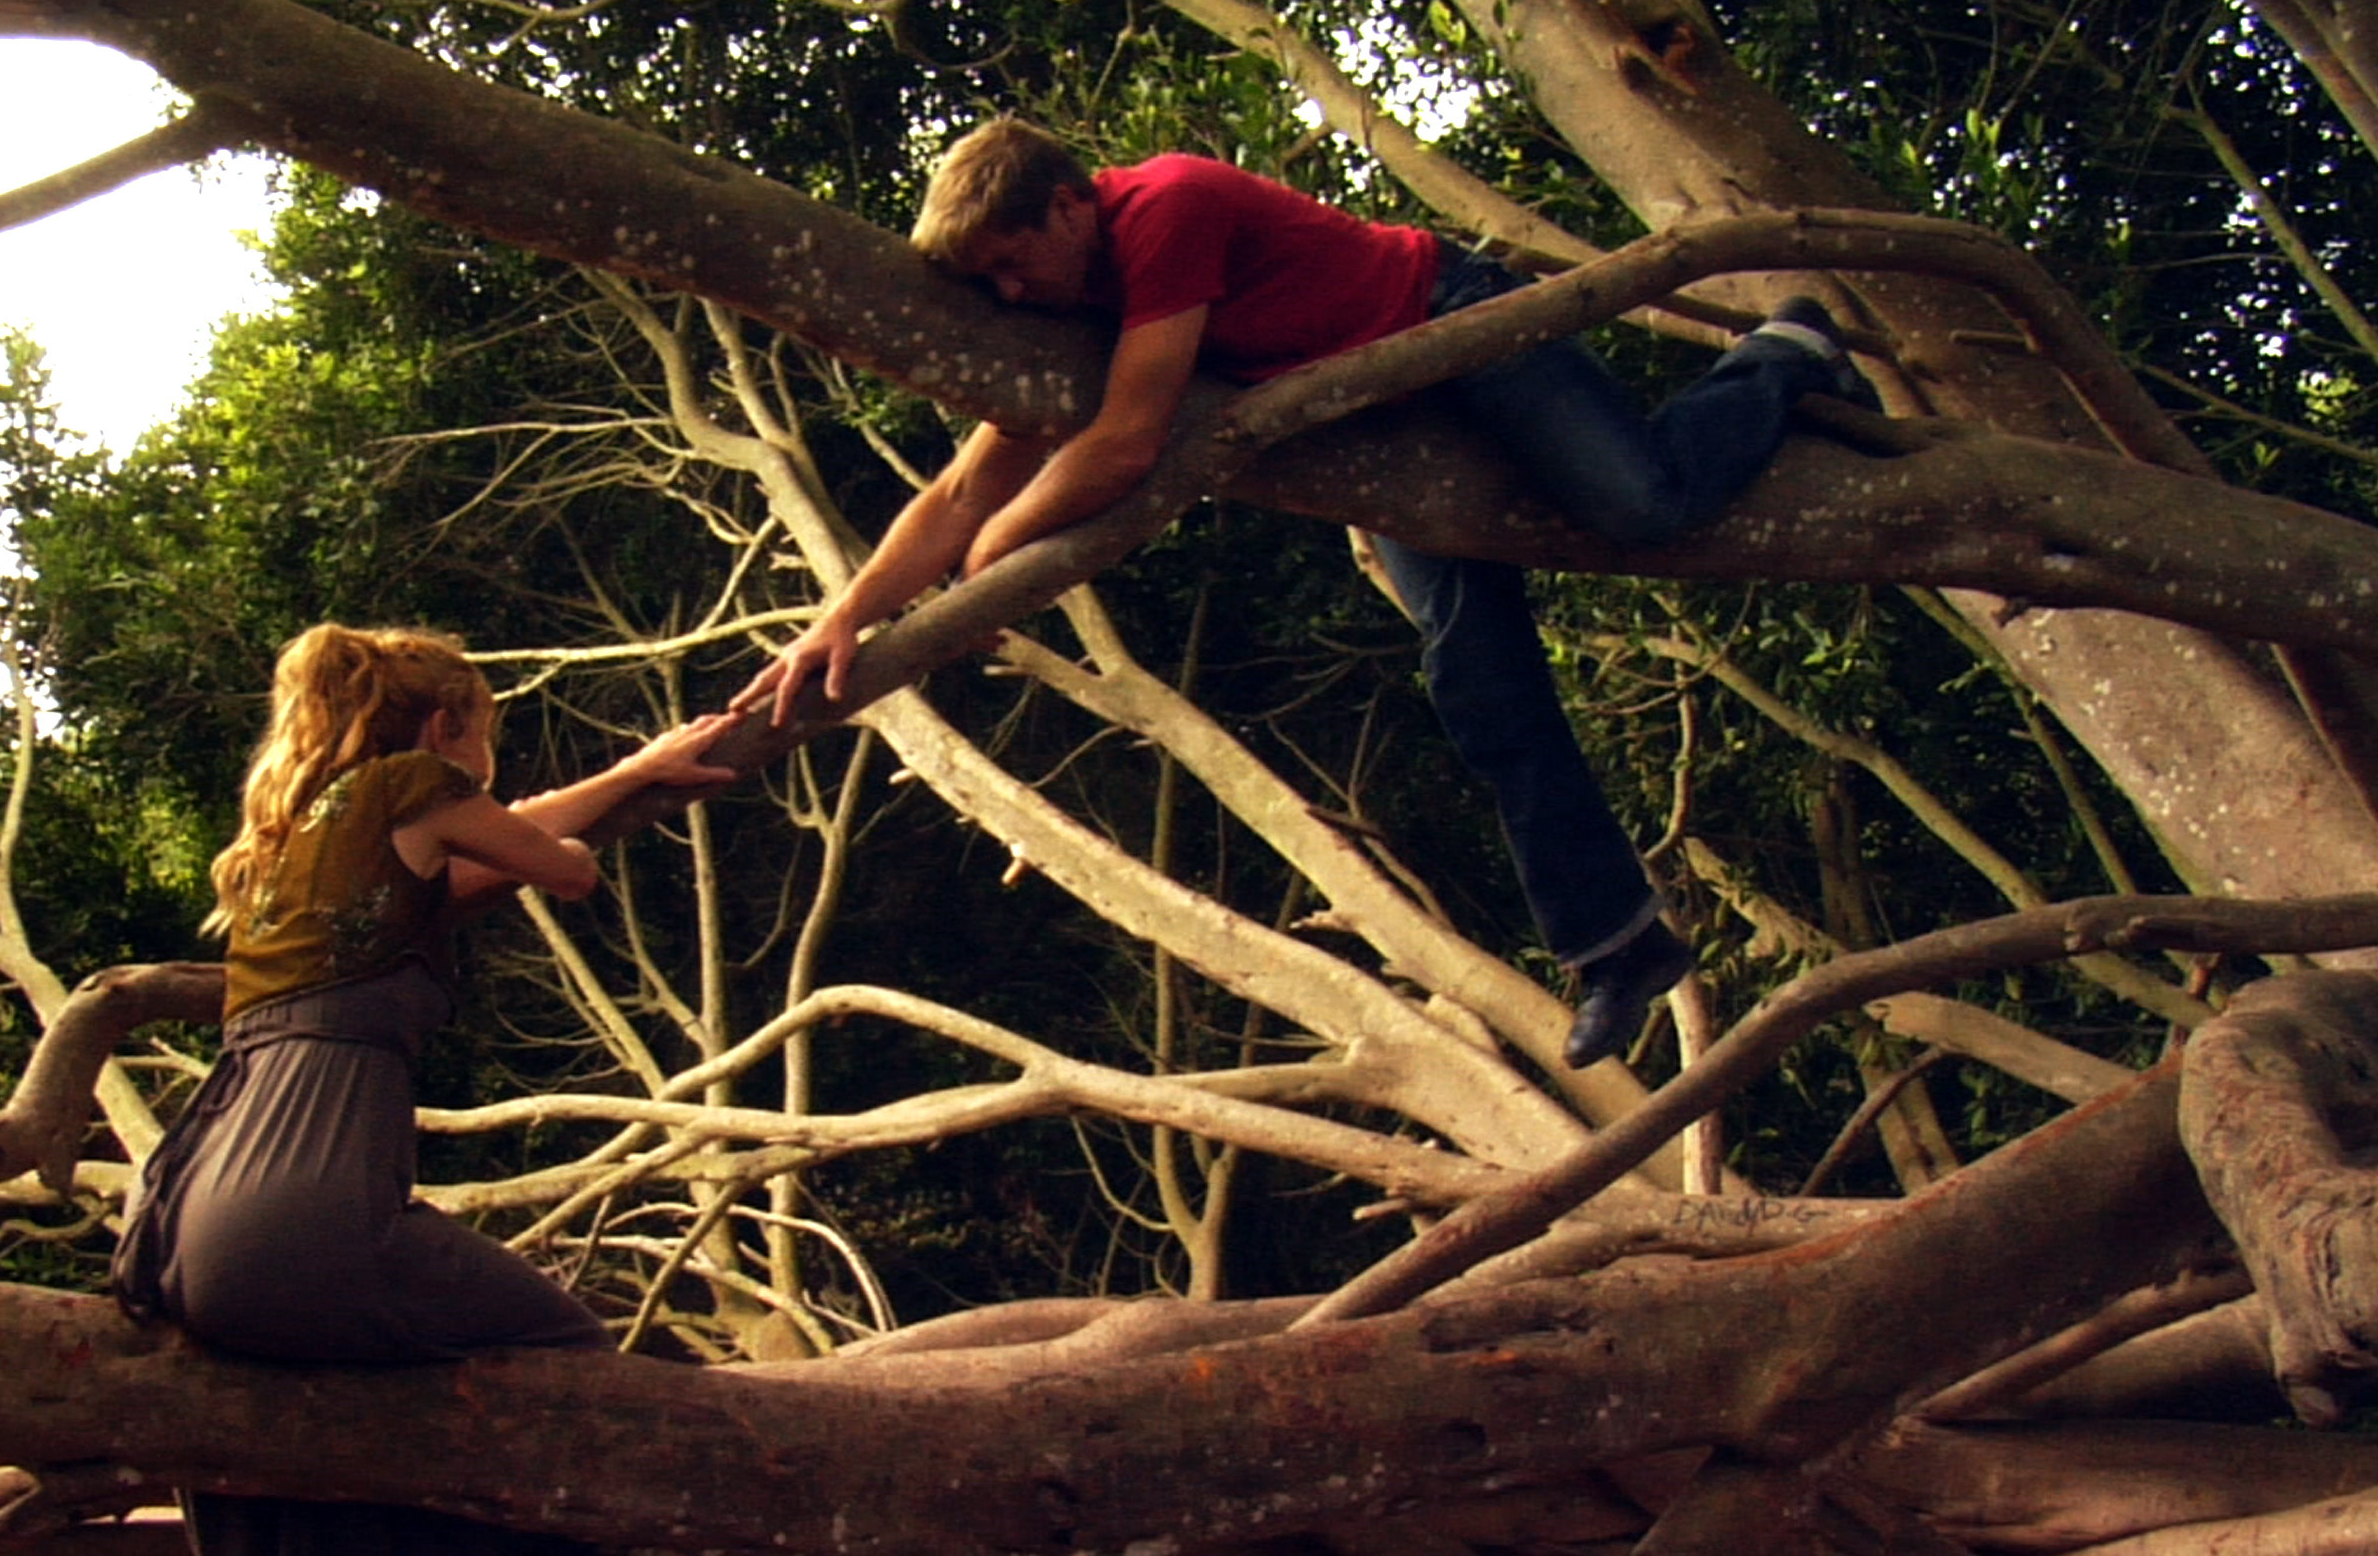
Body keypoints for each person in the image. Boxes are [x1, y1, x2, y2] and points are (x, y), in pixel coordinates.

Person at [734, 117, 1873, 1068]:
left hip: (1449, 325)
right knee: (1480, 688)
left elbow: (1126, 441)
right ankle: (1618, 946)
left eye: (1010, 259)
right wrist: (840, 621)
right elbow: (961, 484)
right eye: (988, 279)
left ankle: (1781, 354)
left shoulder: (1165, 207)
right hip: (1383, 431)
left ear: (1071, 204)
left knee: (1643, 502)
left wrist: (995, 560)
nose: (1008, 289)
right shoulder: (1071, 299)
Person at [111, 622, 738, 1556]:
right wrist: (570, 840)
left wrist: (637, 771)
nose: (495, 767)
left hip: (188, 1224)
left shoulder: (297, 845)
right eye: (489, 738)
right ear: (449, 727)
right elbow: (561, 865)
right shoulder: (414, 788)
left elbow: (485, 846)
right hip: (305, 1215)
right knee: (578, 1373)